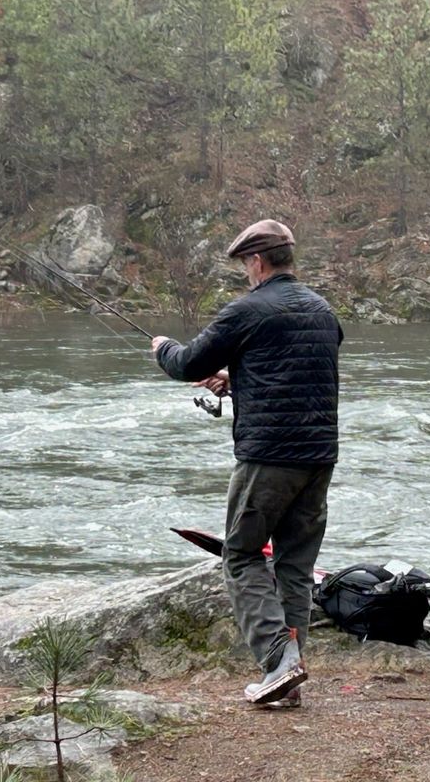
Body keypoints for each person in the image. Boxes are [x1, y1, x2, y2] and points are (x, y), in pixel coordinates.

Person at [150, 218, 342, 708]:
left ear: (256, 262)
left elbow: (188, 362)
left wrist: (163, 348)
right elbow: (296, 374)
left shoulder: (249, 309)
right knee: (295, 565)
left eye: (244, 266)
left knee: (241, 554)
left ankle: (278, 660)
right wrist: (237, 382)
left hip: (269, 457)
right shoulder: (322, 311)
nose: (245, 273)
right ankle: (289, 679)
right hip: (319, 457)